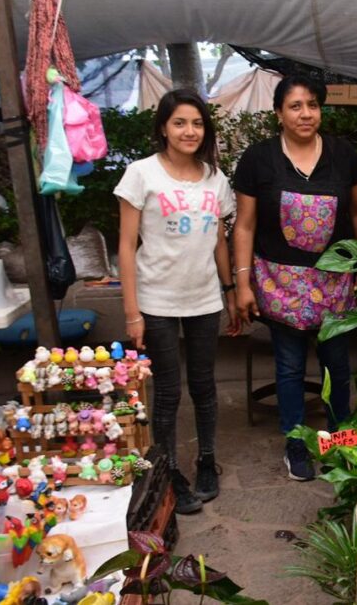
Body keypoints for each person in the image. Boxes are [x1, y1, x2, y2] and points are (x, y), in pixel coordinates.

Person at [232, 74, 357, 481]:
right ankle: (296, 444)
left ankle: (342, 439)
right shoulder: (259, 159)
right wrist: (242, 284)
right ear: (279, 113)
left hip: (334, 283)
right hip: (280, 284)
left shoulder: (343, 155)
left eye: (312, 105)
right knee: (289, 367)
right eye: (295, 106)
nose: (305, 113)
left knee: (336, 365)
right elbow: (243, 226)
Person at [115, 88, 240, 515]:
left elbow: (219, 241)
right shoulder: (141, 174)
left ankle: (207, 461)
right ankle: (168, 473)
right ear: (164, 129)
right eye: (180, 122)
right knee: (167, 392)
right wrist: (132, 312)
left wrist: (229, 292)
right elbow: (126, 246)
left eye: (197, 123)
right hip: (157, 301)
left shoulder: (215, 179)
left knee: (205, 387)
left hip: (205, 299)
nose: (190, 131)